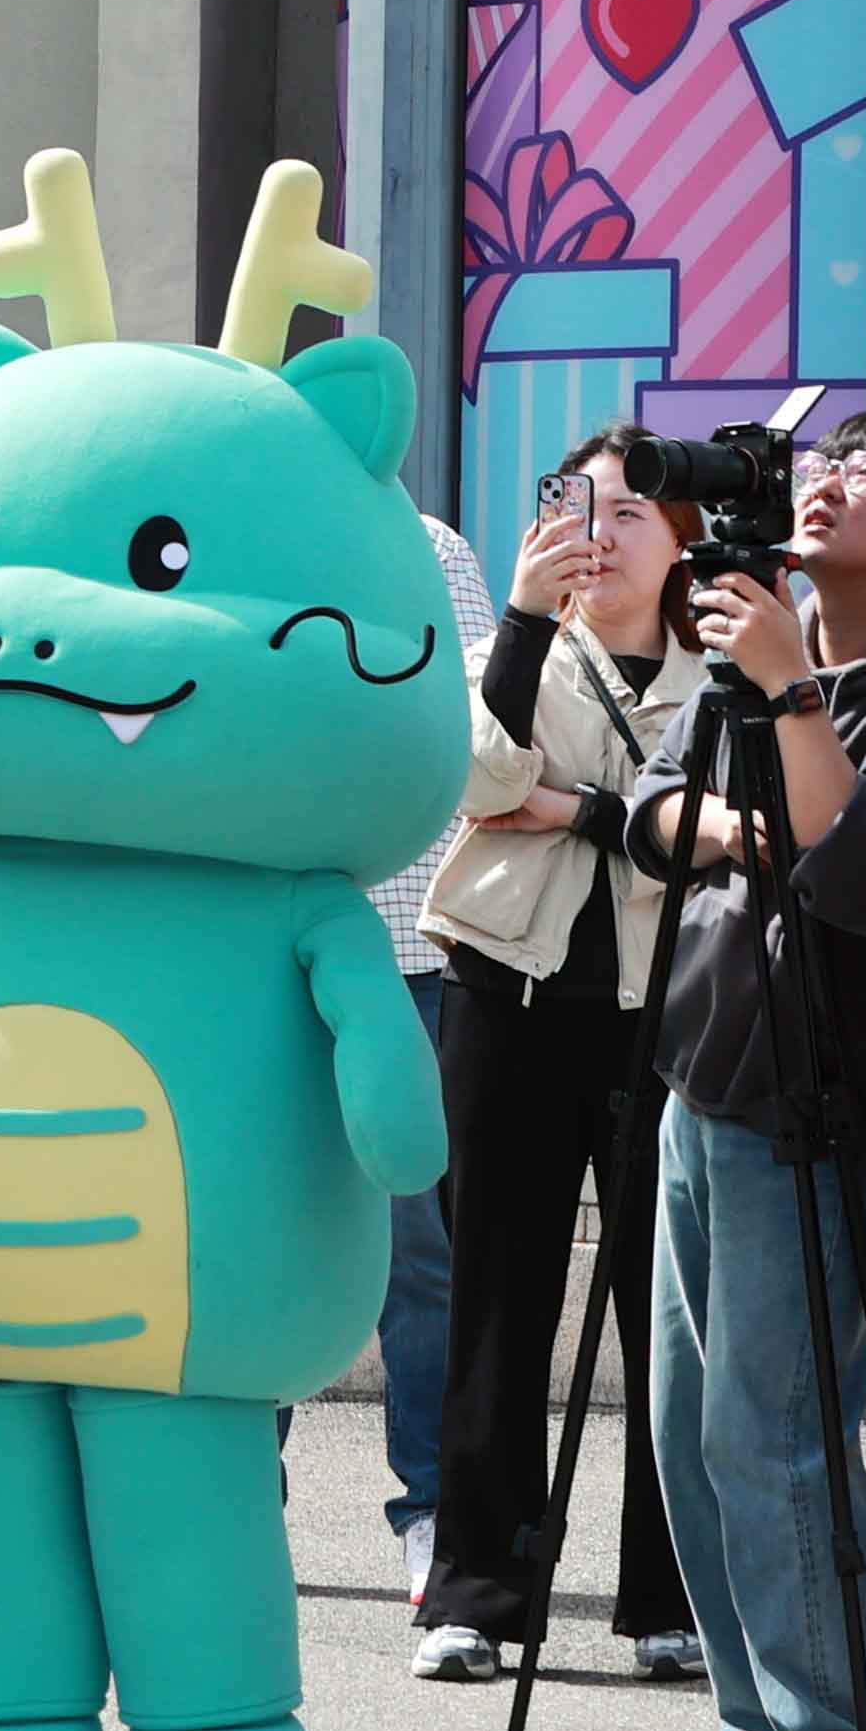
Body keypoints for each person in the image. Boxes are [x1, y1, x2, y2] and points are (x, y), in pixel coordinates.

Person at [624, 405, 866, 1731]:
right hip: (702, 1073)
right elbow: (645, 813)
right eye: (823, 464)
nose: (827, 484)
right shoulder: (760, 661)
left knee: (781, 1430)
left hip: (814, 1098)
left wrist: (782, 706)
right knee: (692, 1432)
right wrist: (722, 818)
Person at [409, 430, 702, 1686]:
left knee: (669, 1314)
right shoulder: (508, 653)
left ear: (686, 539)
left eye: (632, 510)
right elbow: (472, 783)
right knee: (496, 1298)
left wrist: (579, 810)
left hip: (667, 1010)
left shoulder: (722, 675)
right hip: (504, 995)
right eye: (576, 505)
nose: (598, 531)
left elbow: (710, 839)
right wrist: (525, 622)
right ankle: (475, 1592)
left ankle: (665, 1601)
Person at [357, 510, 496, 1605]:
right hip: (253, 953)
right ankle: (231, 1499)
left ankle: (434, 1506)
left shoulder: (424, 545)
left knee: (422, 1248)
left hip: (411, 945)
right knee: (245, 1231)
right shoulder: (222, 520)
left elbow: (476, 727)